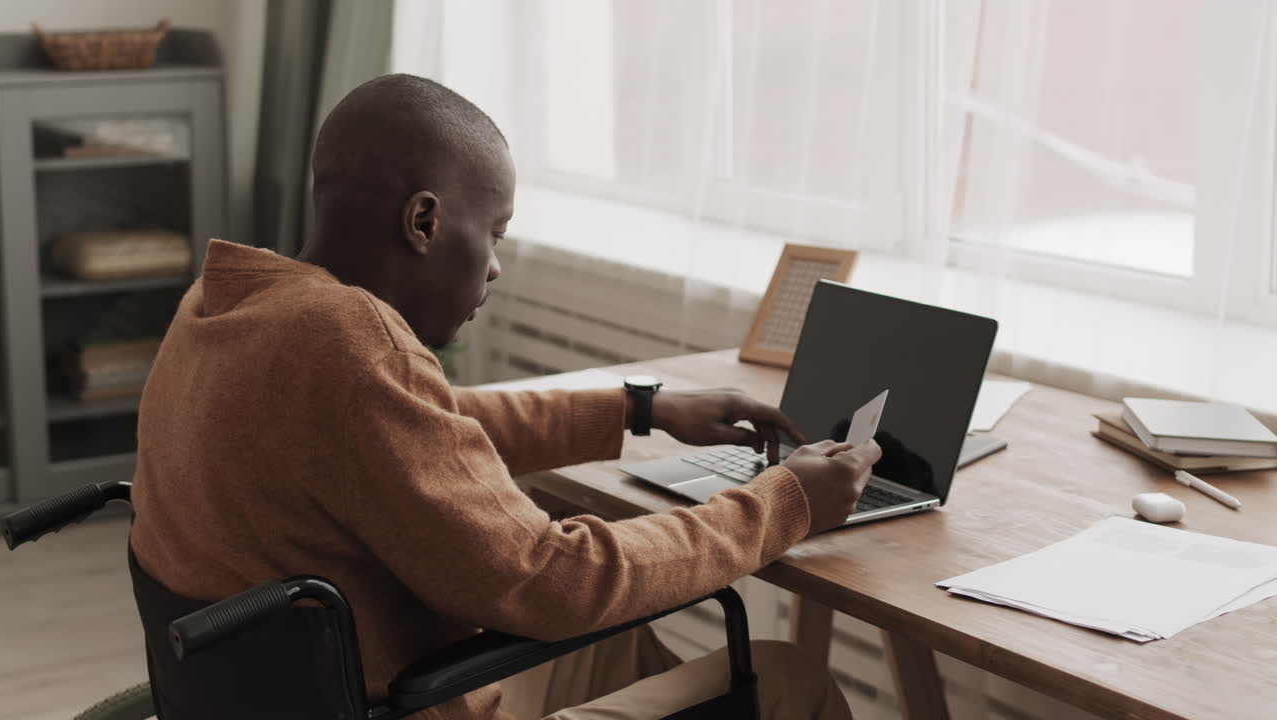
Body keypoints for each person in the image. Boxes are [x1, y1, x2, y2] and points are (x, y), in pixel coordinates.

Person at [130, 74, 881, 720]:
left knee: (622, 644)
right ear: (423, 221)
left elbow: (430, 422)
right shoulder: (350, 343)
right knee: (786, 679)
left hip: (293, 693)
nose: (494, 268)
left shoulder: (234, 304)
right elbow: (557, 580)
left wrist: (636, 410)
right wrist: (787, 503)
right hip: (398, 701)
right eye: (494, 233)